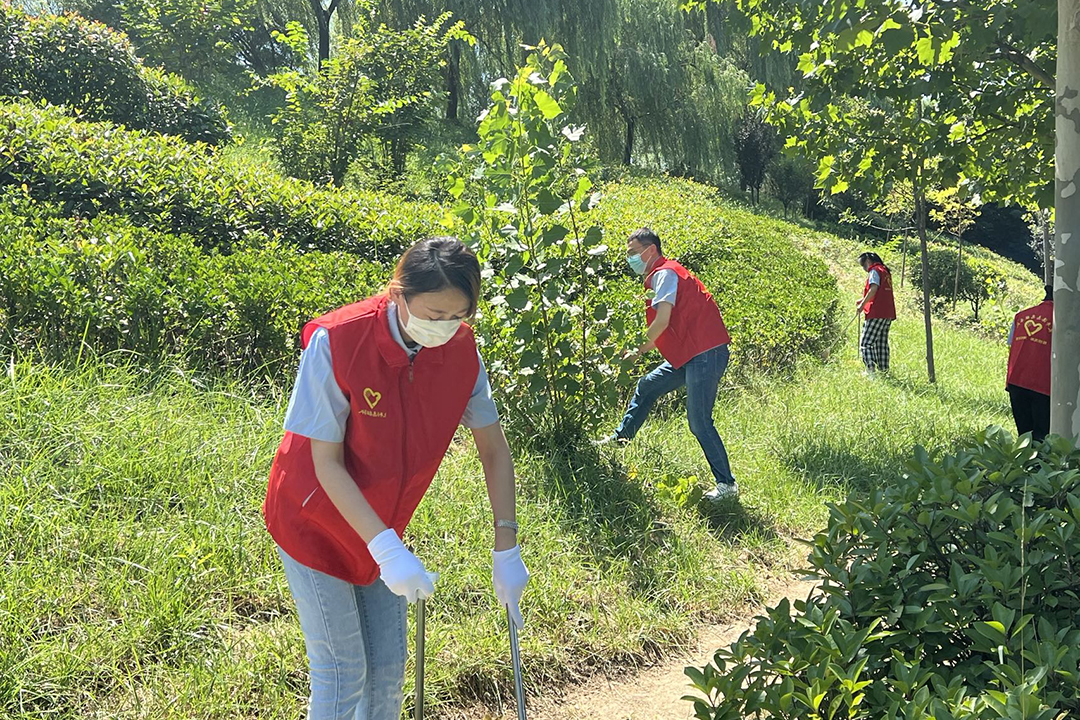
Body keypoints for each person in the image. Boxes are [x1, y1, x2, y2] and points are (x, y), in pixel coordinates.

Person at [263, 237, 529, 720]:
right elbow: (326, 462)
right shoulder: (339, 341)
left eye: (458, 316)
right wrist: (386, 549)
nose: (443, 328)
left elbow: (493, 449)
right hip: (312, 521)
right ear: (398, 294)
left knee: (386, 676)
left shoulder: (462, 354)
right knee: (343, 674)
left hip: (383, 525)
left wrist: (505, 546)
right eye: (433, 314)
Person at [596, 228, 738, 501]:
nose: (631, 259)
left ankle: (727, 485)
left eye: (634, 253)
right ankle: (620, 440)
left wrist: (636, 352)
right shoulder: (661, 274)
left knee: (699, 422)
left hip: (705, 353)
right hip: (692, 354)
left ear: (650, 251)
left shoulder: (664, 273)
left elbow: (662, 320)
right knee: (648, 386)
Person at [1006, 285, 1054, 441]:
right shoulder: (1063, 321)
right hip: (1043, 385)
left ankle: (1023, 464)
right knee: (1041, 437)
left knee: (1024, 436)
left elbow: (1010, 344)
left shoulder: (1020, 316)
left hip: (1016, 381)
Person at [856, 252, 896, 375]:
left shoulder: (874, 271)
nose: (864, 268)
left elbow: (874, 289)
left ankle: (870, 371)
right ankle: (884, 370)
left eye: (863, 265)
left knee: (866, 343)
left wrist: (862, 306)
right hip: (888, 312)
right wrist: (863, 300)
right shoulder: (885, 271)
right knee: (881, 343)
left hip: (876, 311)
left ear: (868, 260)